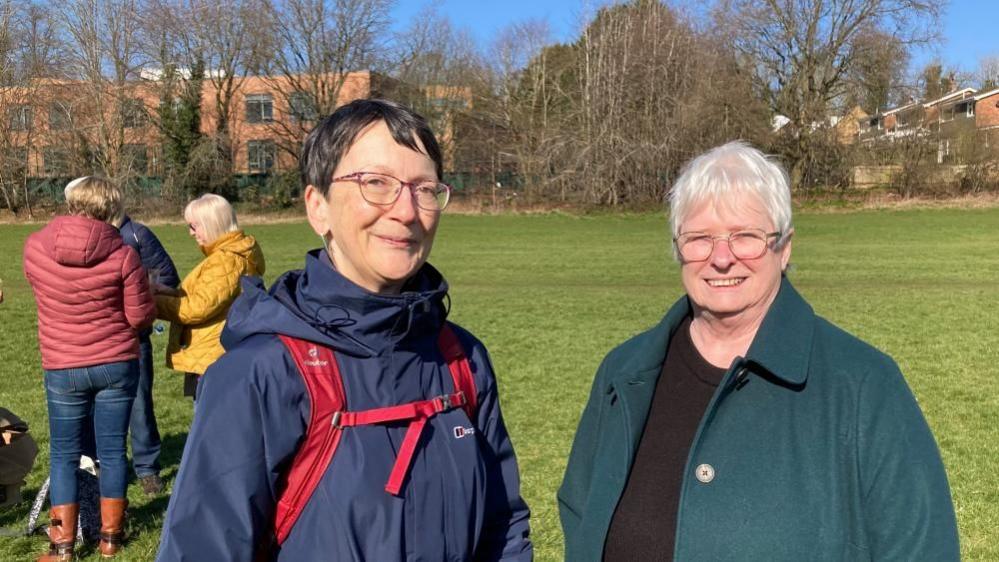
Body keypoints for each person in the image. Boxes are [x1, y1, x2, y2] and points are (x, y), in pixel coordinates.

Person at [156, 99, 532, 561]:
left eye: (424, 188)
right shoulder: (259, 374)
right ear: (319, 208)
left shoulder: (462, 360)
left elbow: (504, 525)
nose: (407, 211)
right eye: (376, 183)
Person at [558, 141, 959, 561]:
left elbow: (923, 549)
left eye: (745, 237)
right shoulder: (624, 373)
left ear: (784, 248)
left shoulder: (864, 387)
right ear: (678, 247)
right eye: (700, 238)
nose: (721, 258)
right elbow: (579, 511)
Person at [24, 176, 156, 560]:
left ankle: (62, 545)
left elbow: (40, 289)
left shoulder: (35, 247)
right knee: (113, 452)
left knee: (64, 454)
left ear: (71, 204)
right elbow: (139, 317)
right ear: (110, 208)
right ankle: (111, 539)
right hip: (116, 361)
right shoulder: (123, 253)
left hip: (63, 364)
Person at [64, 178, 180, 496]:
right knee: (87, 408)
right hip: (89, 337)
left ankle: (147, 467)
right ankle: (96, 466)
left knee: (140, 405)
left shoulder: (137, 235)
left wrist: (140, 288)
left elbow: (168, 275)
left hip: (131, 335)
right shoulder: (74, 240)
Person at [152, 193, 264, 400]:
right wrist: (171, 293)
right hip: (218, 353)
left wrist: (151, 301)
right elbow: (212, 299)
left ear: (210, 224)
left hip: (214, 358)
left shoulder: (225, 261)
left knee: (213, 424)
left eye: (193, 226)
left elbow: (197, 308)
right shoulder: (230, 256)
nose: (190, 233)